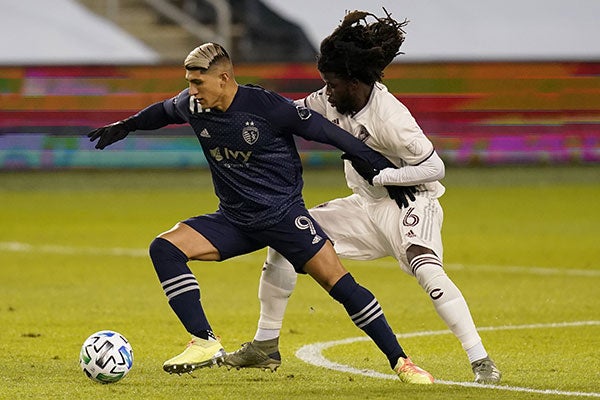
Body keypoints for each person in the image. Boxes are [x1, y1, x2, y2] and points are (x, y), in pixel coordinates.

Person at [87, 42, 434, 384]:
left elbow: (329, 133)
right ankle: (204, 340)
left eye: (198, 83)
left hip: (283, 217)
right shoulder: (193, 105)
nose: (192, 90)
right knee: (164, 248)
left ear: (223, 78)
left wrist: (379, 169)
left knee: (339, 283)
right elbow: (162, 112)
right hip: (235, 220)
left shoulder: (266, 107)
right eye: (189, 82)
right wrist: (126, 125)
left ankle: (402, 362)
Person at [223, 10, 502, 385]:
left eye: (333, 84)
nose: (327, 91)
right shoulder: (331, 98)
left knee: (427, 270)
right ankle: (265, 344)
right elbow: (290, 112)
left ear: (355, 82)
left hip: (410, 202)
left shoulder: (391, 118)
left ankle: (481, 360)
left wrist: (388, 175)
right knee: (287, 234)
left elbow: (435, 167)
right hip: (363, 205)